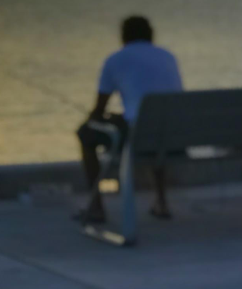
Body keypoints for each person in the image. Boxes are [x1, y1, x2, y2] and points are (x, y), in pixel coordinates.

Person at [74, 15, 183, 224]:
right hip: (172, 136)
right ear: (150, 34)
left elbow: (99, 109)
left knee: (85, 134)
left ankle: (96, 207)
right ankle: (161, 202)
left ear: (123, 36)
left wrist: (97, 118)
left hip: (138, 135)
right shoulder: (167, 56)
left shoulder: (115, 60)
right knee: (155, 128)